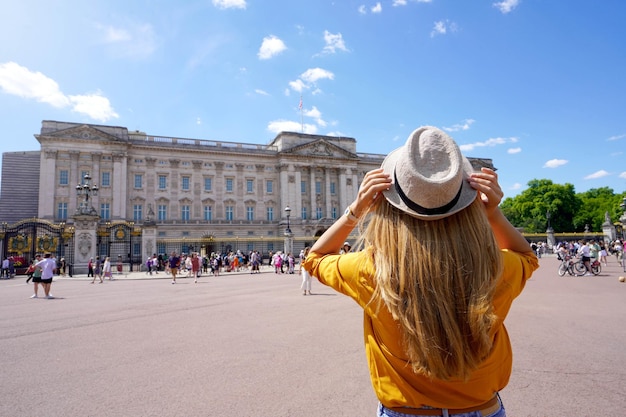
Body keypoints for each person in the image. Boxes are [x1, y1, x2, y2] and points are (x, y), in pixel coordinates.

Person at [302, 126, 539, 417]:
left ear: (388, 204)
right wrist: (492, 214)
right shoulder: (497, 268)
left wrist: (355, 211)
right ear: (469, 201)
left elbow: (315, 257)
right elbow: (526, 254)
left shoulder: (371, 269)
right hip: (482, 409)